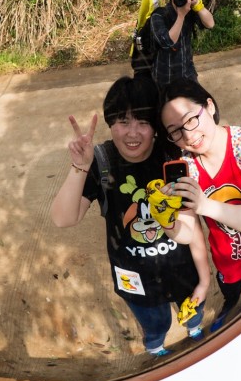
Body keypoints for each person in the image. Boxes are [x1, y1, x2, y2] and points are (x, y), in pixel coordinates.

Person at [51, 76, 210, 356]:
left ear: (156, 127)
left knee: (194, 312)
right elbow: (63, 219)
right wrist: (80, 167)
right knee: (156, 324)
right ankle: (155, 346)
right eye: (123, 122)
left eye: (143, 122)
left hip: (182, 269)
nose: (132, 133)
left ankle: (194, 328)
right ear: (110, 123)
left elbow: (191, 225)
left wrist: (204, 277)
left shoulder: (172, 157)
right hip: (135, 280)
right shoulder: (101, 161)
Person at [160, 78, 241, 332]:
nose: (188, 136)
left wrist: (203, 205)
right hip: (229, 262)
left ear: (209, 106)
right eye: (175, 131)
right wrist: (166, 219)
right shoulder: (188, 169)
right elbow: (186, 233)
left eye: (191, 119)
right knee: (231, 294)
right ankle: (230, 307)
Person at [141, 0, 214, 87]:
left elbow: (210, 24)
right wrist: (181, 16)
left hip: (188, 73)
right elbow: (167, 43)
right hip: (165, 77)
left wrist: (198, 5)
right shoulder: (159, 15)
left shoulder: (190, 11)